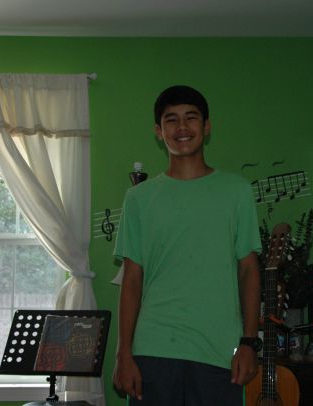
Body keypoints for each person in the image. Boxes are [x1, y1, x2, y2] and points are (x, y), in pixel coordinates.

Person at [112, 85, 262, 405]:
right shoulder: (138, 198)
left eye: (191, 118)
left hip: (219, 353)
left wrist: (250, 342)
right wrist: (123, 354)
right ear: (158, 131)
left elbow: (249, 270)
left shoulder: (237, 191)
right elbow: (132, 280)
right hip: (152, 351)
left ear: (207, 127)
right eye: (171, 120)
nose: (182, 127)